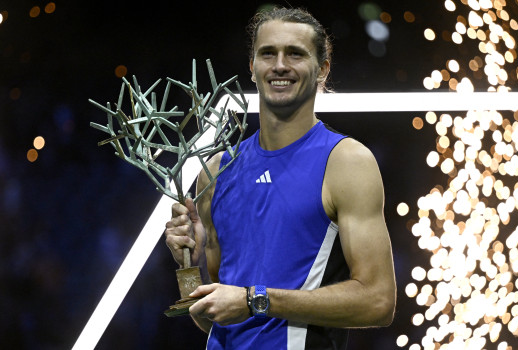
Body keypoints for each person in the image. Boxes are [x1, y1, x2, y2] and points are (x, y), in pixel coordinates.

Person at [164, 7, 396, 350]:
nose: (280, 65)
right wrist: (188, 262)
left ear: (323, 69)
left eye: (296, 54)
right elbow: (211, 317)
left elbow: (378, 301)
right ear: (252, 66)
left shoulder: (346, 162)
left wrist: (254, 299)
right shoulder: (216, 171)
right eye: (268, 53)